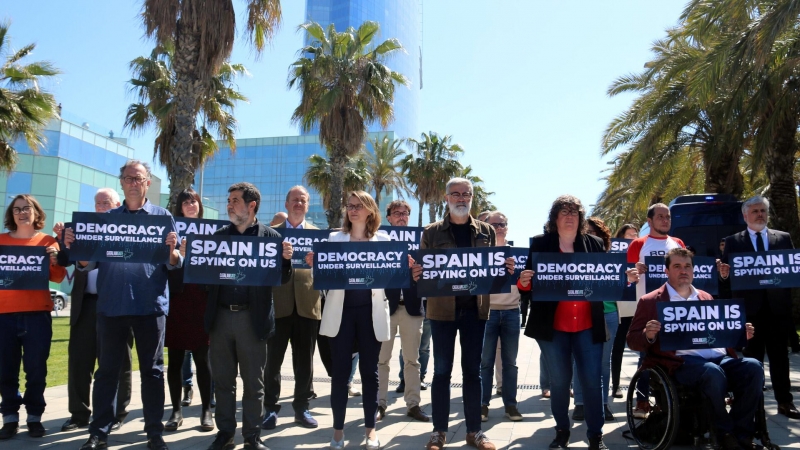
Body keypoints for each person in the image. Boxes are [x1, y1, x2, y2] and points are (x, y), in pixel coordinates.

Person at [65, 160, 182, 450]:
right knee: (106, 373)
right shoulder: (106, 219)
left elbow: (174, 263)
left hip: (150, 306)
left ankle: (154, 432)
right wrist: (77, 249)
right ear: (122, 182)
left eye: (138, 178)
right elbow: (87, 264)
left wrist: (174, 253)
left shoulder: (162, 216)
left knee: (153, 373)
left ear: (147, 183)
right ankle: (99, 433)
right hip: (111, 306)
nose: (132, 182)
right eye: (128, 178)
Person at [414, 177, 514, 450]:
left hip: (476, 311)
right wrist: (416, 273)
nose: (461, 198)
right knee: (442, 372)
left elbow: (492, 270)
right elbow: (422, 272)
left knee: (473, 372)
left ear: (471, 198)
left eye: (466, 194)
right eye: (455, 194)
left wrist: (505, 267)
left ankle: (474, 431)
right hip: (442, 313)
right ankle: (439, 432)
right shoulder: (431, 232)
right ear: (446, 198)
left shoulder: (485, 231)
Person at [629, 248, 763, 450]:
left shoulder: (705, 297)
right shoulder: (650, 301)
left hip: (719, 358)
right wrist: (648, 335)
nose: (683, 271)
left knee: (753, 367)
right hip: (681, 364)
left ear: (693, 270)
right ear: (666, 271)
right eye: (677, 266)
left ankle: (741, 432)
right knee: (711, 372)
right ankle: (724, 431)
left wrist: (738, 334)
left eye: (687, 266)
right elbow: (632, 340)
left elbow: (719, 333)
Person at [204, 182, 293, 450]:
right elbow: (205, 279)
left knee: (254, 384)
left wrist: (286, 260)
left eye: (234, 200)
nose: (229, 205)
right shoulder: (218, 237)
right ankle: (225, 433)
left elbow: (282, 279)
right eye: (228, 200)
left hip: (252, 320)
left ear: (251, 205)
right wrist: (193, 258)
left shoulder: (271, 238)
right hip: (220, 319)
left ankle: (252, 436)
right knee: (223, 381)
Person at [518, 195, 608, 450]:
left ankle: (595, 436)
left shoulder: (595, 243)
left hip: (588, 325)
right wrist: (523, 281)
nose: (570, 216)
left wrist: (626, 279)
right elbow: (527, 287)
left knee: (592, 381)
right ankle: (561, 432)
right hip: (553, 326)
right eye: (564, 212)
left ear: (580, 218)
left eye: (574, 212)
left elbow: (604, 281)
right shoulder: (540, 244)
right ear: (554, 218)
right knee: (559, 383)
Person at [307, 191, 395, 450]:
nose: (352, 210)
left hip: (371, 314)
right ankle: (337, 433)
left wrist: (402, 267)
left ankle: (370, 432)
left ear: (370, 210)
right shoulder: (335, 238)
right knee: (340, 375)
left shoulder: (384, 239)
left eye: (358, 206)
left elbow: (389, 280)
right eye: (349, 206)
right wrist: (315, 264)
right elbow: (322, 279)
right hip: (341, 314)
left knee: (370, 374)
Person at [53, 188, 133, 434]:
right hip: (85, 304)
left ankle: (118, 413)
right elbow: (64, 260)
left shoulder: (128, 229)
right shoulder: (81, 228)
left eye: (106, 202)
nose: (101, 207)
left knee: (119, 362)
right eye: (98, 203)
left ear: (118, 204)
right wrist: (60, 240)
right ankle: (79, 414)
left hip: (117, 303)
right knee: (79, 360)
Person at [718, 196, 800, 419]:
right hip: (749, 313)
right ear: (745, 216)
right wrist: (724, 276)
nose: (760, 215)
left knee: (780, 357)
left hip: (777, 310)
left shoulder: (783, 238)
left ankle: (785, 402)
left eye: (763, 210)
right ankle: (752, 406)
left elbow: (790, 273)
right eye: (755, 211)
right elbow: (726, 280)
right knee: (751, 362)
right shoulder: (734, 241)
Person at [0, 195, 66, 439]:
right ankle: (9, 418)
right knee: (6, 370)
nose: (22, 213)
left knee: (36, 369)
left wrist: (54, 258)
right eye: (16, 209)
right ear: (11, 215)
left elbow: (58, 278)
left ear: (36, 213)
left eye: (27, 208)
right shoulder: (1, 241)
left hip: (37, 314)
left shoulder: (48, 241)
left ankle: (35, 418)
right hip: (4, 315)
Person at [262, 186, 322, 430]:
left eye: (303, 200)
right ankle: (270, 409)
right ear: (286, 204)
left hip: (308, 306)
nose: (299, 203)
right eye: (295, 200)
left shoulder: (320, 236)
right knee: (273, 362)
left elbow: (329, 272)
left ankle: (301, 408)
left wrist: (318, 263)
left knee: (304, 363)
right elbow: (262, 270)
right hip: (278, 307)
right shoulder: (269, 234)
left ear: (308, 205)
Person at [623, 204, 685, 418]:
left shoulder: (677, 243)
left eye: (668, 216)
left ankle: (670, 401)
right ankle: (641, 401)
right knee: (645, 357)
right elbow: (626, 278)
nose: (665, 220)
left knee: (676, 354)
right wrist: (633, 274)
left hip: (676, 309)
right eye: (660, 216)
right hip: (648, 309)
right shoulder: (638, 244)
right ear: (649, 221)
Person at [164, 189, 213, 432]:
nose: (190, 205)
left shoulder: (213, 231)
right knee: (174, 359)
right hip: (177, 299)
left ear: (199, 205)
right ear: (180, 208)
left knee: (203, 359)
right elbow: (166, 266)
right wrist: (178, 255)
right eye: (185, 202)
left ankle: (206, 411)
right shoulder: (173, 232)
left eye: (193, 201)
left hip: (202, 300)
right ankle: (175, 410)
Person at [377, 200, 429, 422]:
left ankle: (413, 405)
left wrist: (418, 269)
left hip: (411, 308)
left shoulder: (420, 242)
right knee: (381, 360)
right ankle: (379, 405)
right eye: (397, 213)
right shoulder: (378, 240)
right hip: (385, 307)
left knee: (412, 360)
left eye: (405, 213)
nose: (401, 216)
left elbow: (430, 272)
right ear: (388, 217)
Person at [571, 217, 617, 422]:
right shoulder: (574, 257)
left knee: (603, 362)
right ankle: (580, 403)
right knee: (579, 360)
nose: (591, 236)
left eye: (595, 233)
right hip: (584, 313)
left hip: (609, 313)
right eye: (587, 232)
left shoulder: (613, 259)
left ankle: (602, 404)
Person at [480, 211, 523, 423]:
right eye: (495, 223)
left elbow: (526, 285)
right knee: (485, 362)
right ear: (485, 225)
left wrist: (518, 274)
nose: (499, 227)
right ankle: (482, 404)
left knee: (510, 363)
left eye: (503, 224)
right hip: (486, 312)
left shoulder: (518, 254)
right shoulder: (479, 253)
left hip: (512, 312)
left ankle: (511, 405)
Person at [609, 223, 639, 399]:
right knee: (618, 346)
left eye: (635, 234)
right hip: (622, 305)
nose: (633, 237)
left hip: (639, 304)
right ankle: (616, 385)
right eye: (629, 235)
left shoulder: (641, 252)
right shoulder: (614, 255)